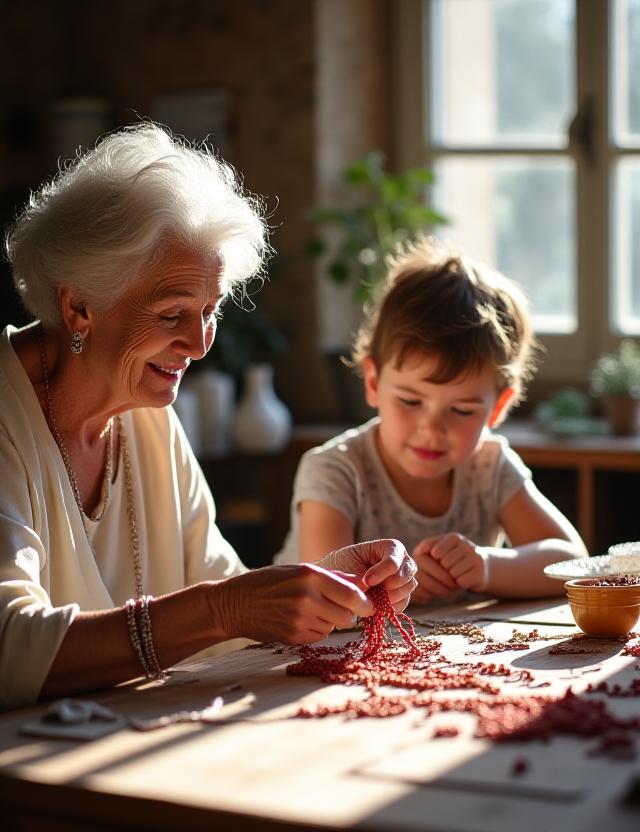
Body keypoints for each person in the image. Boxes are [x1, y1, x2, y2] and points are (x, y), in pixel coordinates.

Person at [0, 123, 417, 711]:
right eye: (172, 314)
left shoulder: (145, 413)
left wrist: (329, 586)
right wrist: (224, 609)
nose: (198, 345)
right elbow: (9, 644)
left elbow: (222, 601)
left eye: (209, 310)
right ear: (79, 307)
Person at [275, 237, 587, 602]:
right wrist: (402, 581)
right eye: (410, 401)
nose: (431, 428)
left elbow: (573, 564)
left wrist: (488, 566)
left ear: (498, 407)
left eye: (462, 410)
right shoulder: (336, 469)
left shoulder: (489, 467)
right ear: (374, 383)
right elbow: (326, 593)